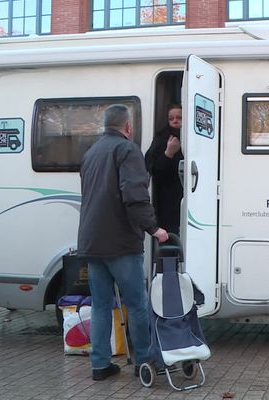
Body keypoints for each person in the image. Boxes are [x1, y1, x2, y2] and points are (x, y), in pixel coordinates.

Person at [77, 104, 168, 381]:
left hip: (92, 242)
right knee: (137, 303)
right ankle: (145, 360)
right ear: (128, 127)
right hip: (120, 242)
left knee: (101, 305)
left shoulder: (91, 152)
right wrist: (154, 228)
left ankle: (100, 365)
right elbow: (134, 194)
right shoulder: (127, 150)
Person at [145, 103, 184, 235]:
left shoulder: (198, 138)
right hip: (168, 200)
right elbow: (154, 170)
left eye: (179, 117)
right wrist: (168, 153)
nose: (175, 120)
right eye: (171, 118)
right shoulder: (161, 138)